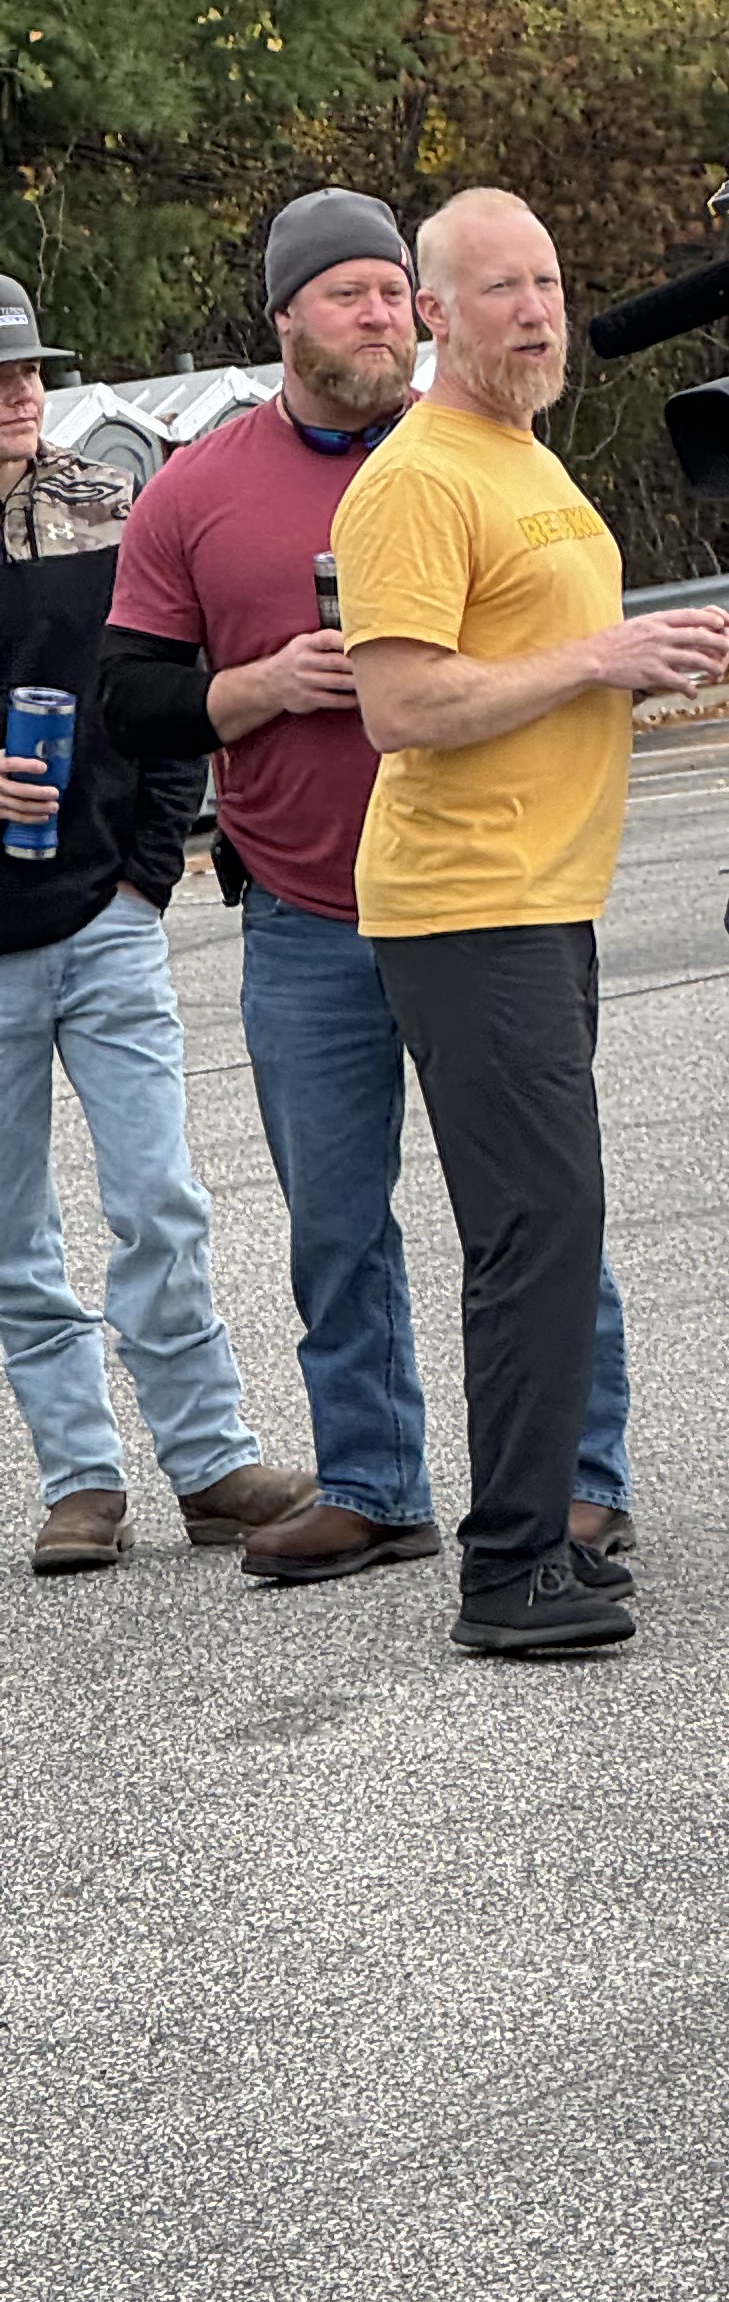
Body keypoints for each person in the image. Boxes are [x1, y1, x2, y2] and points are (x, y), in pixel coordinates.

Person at [100, 191, 645, 1588]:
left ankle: (578, 1485)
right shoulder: (195, 490)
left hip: (481, 902)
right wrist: (257, 687)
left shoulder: (480, 451)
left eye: (395, 291)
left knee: (536, 1209)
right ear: (284, 316)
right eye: (347, 294)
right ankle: (374, 1481)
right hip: (305, 910)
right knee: (338, 1224)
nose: (379, 316)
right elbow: (128, 701)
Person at [332, 193, 729, 1658]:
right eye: (499, 288)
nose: (536, 311)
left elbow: (542, 657)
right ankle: (510, 1569)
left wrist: (625, 663)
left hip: (547, 896)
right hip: (466, 904)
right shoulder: (414, 478)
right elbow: (399, 703)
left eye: (550, 283)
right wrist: (596, 658)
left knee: (553, 1230)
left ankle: (540, 1543)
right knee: (536, 1234)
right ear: (435, 313)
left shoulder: (525, 456)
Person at [0, 278, 299, 1577]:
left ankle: (212, 1462)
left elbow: (171, 698)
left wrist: (146, 877)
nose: (18, 394)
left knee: (160, 1201)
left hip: (107, 919)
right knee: (13, 1236)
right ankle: (80, 1482)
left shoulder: (111, 509)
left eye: (27, 371)